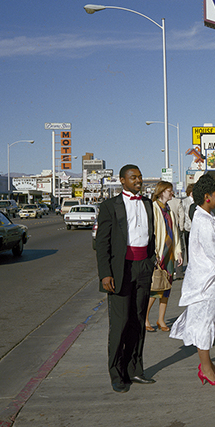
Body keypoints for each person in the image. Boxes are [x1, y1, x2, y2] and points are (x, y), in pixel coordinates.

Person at [95, 164, 157, 393]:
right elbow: (102, 243)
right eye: (134, 178)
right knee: (119, 324)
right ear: (122, 180)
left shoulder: (148, 203)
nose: (138, 181)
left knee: (138, 320)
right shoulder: (110, 206)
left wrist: (151, 262)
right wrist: (105, 274)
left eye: (140, 177)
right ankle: (117, 373)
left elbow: (150, 236)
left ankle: (135, 369)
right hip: (121, 270)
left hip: (143, 268)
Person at [169, 174, 215, 386]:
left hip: (208, 278)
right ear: (206, 197)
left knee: (207, 322)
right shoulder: (204, 220)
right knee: (205, 325)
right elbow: (214, 253)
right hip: (205, 282)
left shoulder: (206, 216)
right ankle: (206, 368)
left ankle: (208, 365)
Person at [146, 181, 183, 333]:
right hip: (159, 254)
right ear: (161, 192)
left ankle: (161, 319)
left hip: (170, 254)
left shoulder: (170, 211)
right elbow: (151, 234)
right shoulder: (154, 209)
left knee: (166, 288)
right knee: (155, 288)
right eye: (169, 191)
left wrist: (179, 251)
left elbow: (175, 233)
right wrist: (154, 255)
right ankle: (145, 317)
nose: (172, 193)